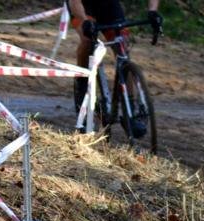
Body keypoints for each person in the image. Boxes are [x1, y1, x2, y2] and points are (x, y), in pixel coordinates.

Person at [69, 0, 162, 133]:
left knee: (122, 49)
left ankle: (130, 111)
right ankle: (81, 88)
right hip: (83, 6)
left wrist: (153, 11)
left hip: (109, 6)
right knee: (87, 40)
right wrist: (84, 20)